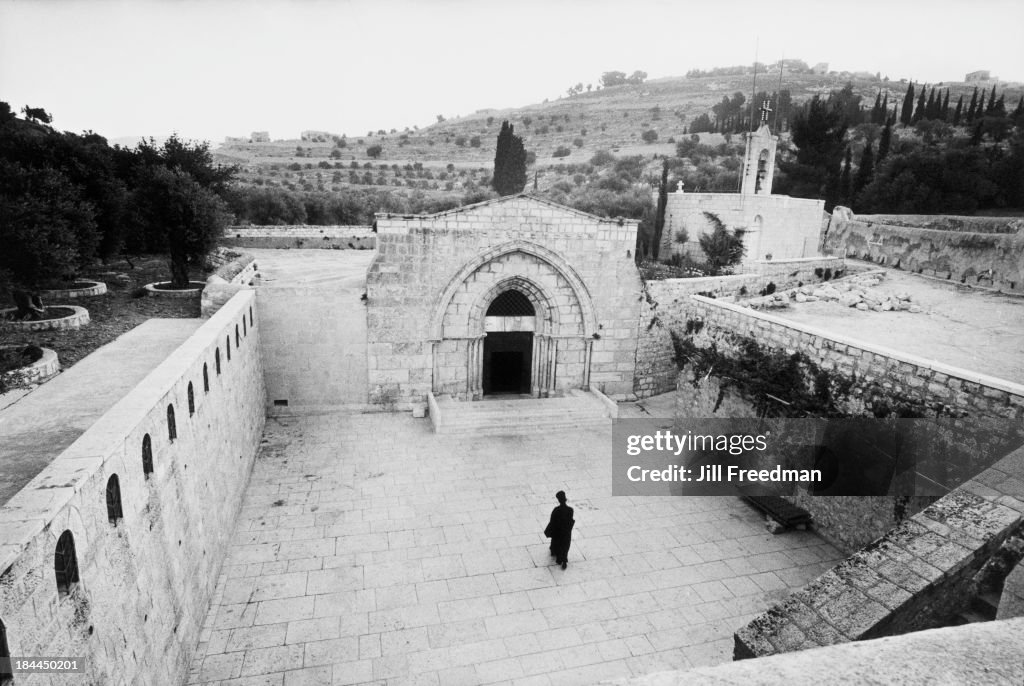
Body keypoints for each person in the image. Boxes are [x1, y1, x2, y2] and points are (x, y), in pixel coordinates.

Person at [543, 490, 575, 570]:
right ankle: (564, 560)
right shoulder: (570, 510)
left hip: (558, 532)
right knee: (565, 546)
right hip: (566, 532)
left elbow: (552, 521)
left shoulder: (556, 510)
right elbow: (570, 520)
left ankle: (556, 555)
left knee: (557, 543)